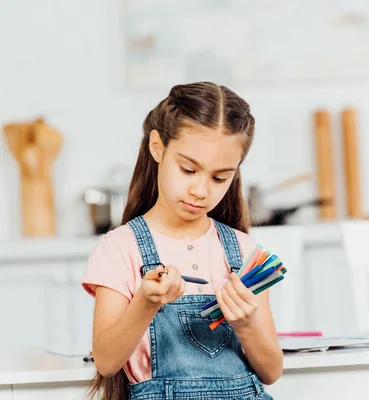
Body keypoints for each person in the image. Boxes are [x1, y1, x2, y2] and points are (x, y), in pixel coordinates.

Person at [81, 82, 283, 400]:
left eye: (220, 177)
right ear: (158, 147)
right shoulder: (120, 248)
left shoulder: (244, 251)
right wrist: (145, 303)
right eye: (188, 170)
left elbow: (271, 371)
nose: (201, 190)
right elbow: (106, 361)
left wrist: (247, 325)